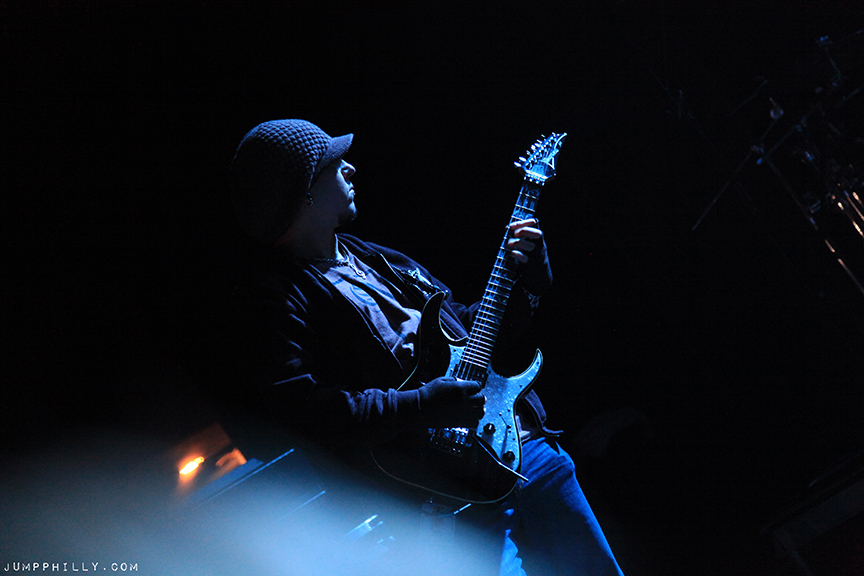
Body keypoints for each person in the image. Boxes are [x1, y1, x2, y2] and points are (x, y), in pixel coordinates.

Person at [225, 118, 625, 576]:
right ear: (305, 194)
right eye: (334, 164)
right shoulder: (272, 301)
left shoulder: (374, 257)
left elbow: (467, 335)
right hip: (443, 496)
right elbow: (308, 412)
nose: (350, 168)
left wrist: (528, 285)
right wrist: (422, 406)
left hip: (519, 446)